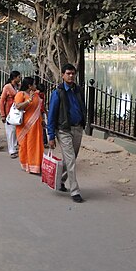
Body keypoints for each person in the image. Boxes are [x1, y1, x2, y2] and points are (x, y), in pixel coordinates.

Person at [46, 63, 87, 203]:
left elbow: (82, 106)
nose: (71, 76)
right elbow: (51, 115)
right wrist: (51, 136)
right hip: (63, 130)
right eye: (68, 73)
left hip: (77, 128)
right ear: (63, 75)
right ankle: (75, 191)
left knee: (71, 159)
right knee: (70, 160)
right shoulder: (57, 93)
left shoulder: (78, 90)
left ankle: (60, 180)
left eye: (73, 73)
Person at [14, 77, 44, 174]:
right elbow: (18, 106)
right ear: (29, 86)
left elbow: (39, 108)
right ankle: (28, 165)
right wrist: (28, 100)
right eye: (34, 84)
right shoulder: (21, 94)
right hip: (25, 125)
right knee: (27, 145)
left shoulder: (36, 95)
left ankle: (37, 165)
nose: (36, 86)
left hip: (36, 124)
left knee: (37, 144)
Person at [0, 70, 21, 158]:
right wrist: (3, 114)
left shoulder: (18, 86)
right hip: (9, 111)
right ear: (14, 78)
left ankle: (15, 147)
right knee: (10, 131)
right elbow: (2, 101)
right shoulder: (7, 87)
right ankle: (11, 149)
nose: (20, 79)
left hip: (16, 112)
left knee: (15, 130)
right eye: (18, 77)